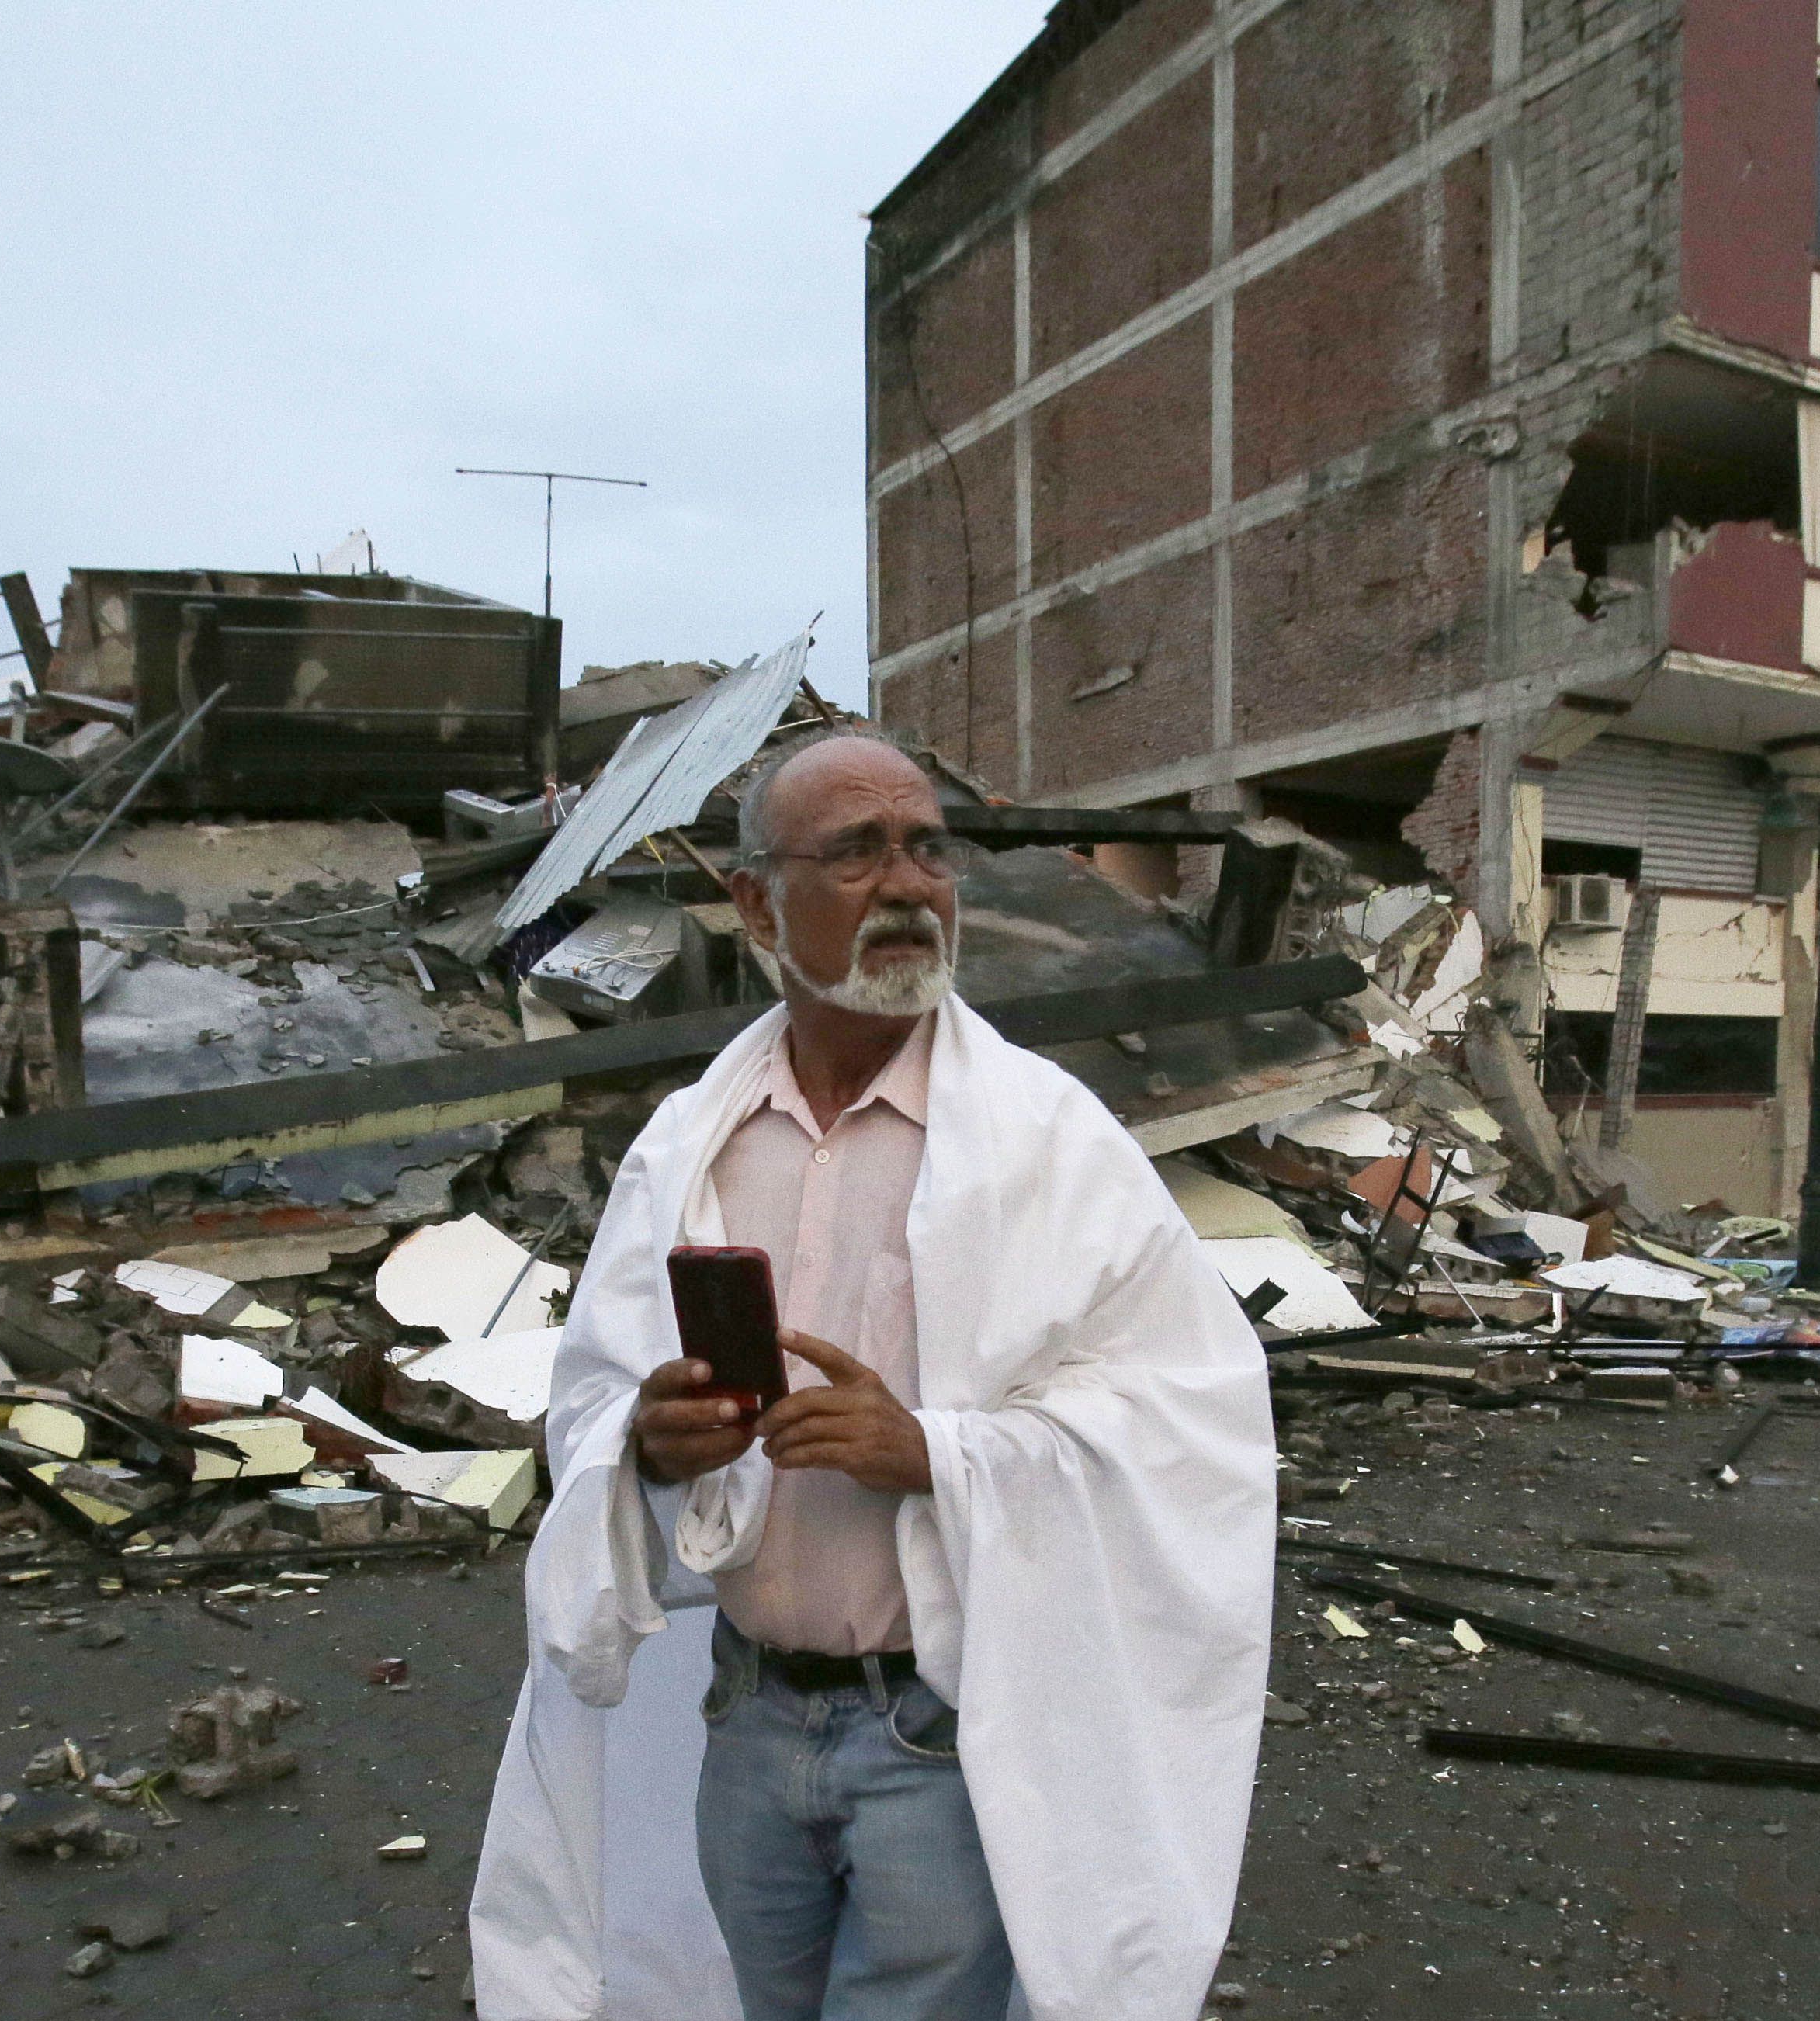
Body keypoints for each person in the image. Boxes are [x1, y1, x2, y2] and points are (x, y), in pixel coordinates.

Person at [470, 733, 1274, 2021]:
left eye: (927, 849)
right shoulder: (690, 1145)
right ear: (754, 903)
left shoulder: (1048, 1139)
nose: (907, 885)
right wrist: (648, 1442)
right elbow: (590, 1399)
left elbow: (1193, 1415)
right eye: (855, 852)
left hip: (936, 1729)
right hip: (745, 1715)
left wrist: (935, 1453)